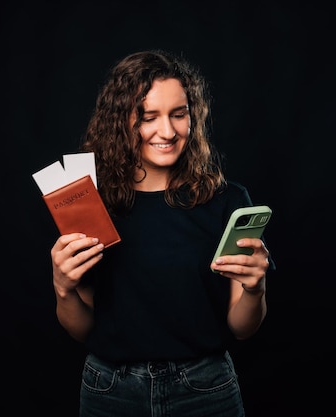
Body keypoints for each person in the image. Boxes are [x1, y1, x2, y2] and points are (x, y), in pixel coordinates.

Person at [50, 49, 274, 417]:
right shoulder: (88, 200)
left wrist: (255, 288)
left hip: (206, 387)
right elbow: (81, 328)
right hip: (110, 389)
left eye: (179, 114)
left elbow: (242, 327)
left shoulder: (228, 200)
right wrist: (63, 288)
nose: (167, 132)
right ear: (121, 120)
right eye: (148, 117)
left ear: (193, 116)